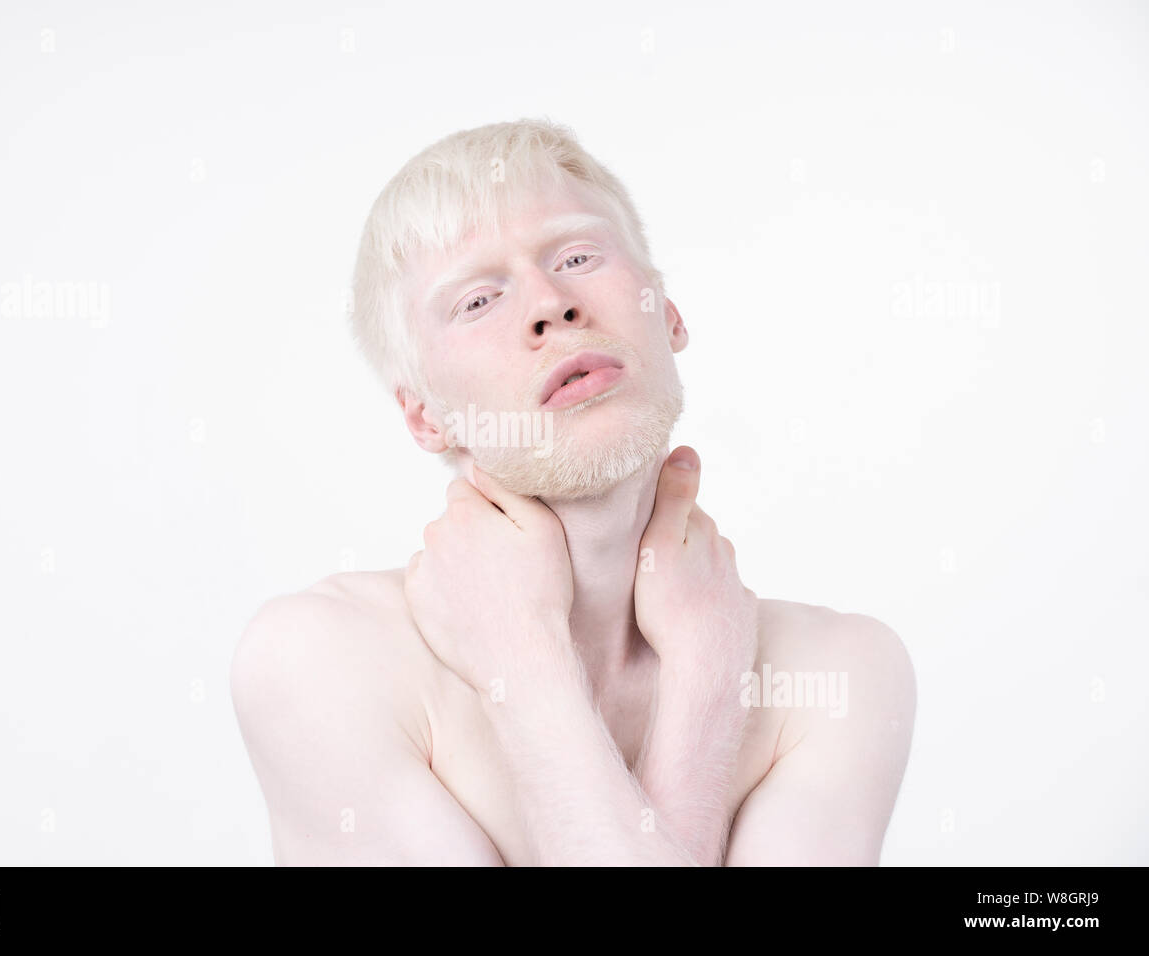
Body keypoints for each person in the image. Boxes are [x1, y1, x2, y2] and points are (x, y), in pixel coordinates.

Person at [230, 117, 916, 865]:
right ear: (424, 415)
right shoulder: (318, 662)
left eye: (578, 256)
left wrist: (707, 678)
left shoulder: (843, 674)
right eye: (477, 301)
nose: (550, 305)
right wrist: (525, 662)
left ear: (669, 312)